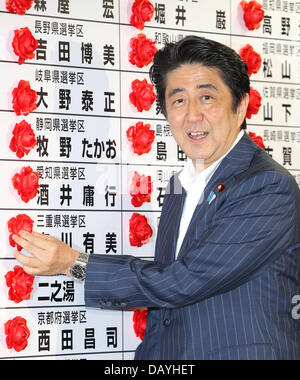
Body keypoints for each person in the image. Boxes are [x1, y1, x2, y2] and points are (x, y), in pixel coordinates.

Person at [13, 36, 300, 360]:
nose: (192, 115)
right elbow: (166, 308)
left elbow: (184, 281)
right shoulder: (182, 183)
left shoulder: (265, 186)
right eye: (178, 101)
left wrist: (74, 263)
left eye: (206, 97)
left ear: (241, 105)